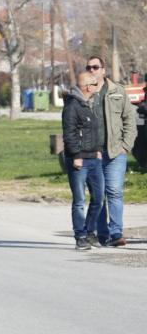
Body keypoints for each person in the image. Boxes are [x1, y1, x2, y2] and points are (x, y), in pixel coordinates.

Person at [86, 55, 137, 247]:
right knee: (98, 195)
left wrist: (126, 145)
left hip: (115, 152)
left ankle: (116, 234)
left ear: (103, 70)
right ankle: (102, 234)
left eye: (95, 67)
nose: (92, 70)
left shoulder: (117, 91)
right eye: (88, 67)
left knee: (114, 191)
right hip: (93, 154)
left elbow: (130, 119)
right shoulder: (84, 93)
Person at [62, 72, 105, 250]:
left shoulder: (88, 104)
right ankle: (80, 236)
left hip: (94, 158)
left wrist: (98, 151)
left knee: (98, 198)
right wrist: (76, 156)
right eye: (94, 84)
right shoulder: (72, 106)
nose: (97, 87)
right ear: (87, 87)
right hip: (78, 161)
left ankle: (89, 232)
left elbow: (92, 132)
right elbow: (69, 135)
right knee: (79, 201)